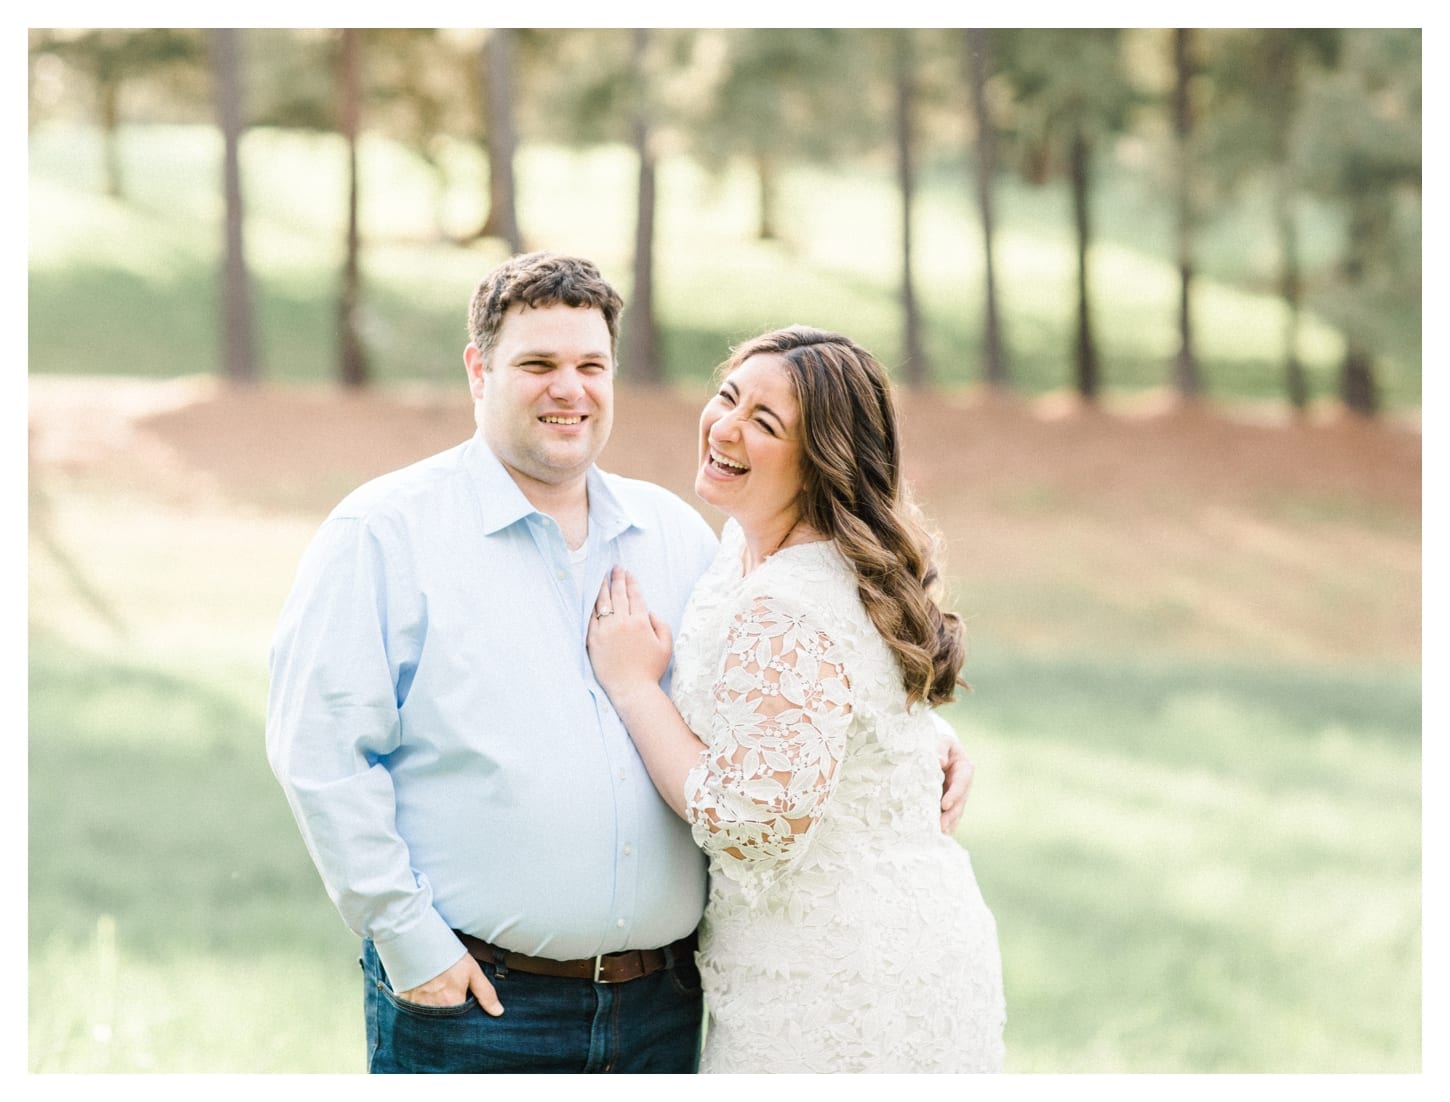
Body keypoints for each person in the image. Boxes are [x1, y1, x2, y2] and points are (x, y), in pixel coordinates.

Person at [265, 253, 975, 1074]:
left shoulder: (680, 535)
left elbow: (776, 694)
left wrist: (897, 750)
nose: (568, 389)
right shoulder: (385, 534)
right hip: (480, 1005)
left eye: (589, 366)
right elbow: (319, 751)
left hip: (664, 1012)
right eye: (538, 364)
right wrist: (408, 942)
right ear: (478, 370)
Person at [586, 325, 1007, 1073]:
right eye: (728, 396)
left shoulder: (788, 601)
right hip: (869, 945)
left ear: (821, 465)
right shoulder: (748, 551)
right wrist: (925, 742)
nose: (725, 427)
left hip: (838, 983)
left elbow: (754, 827)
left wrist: (631, 686)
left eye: (765, 423)